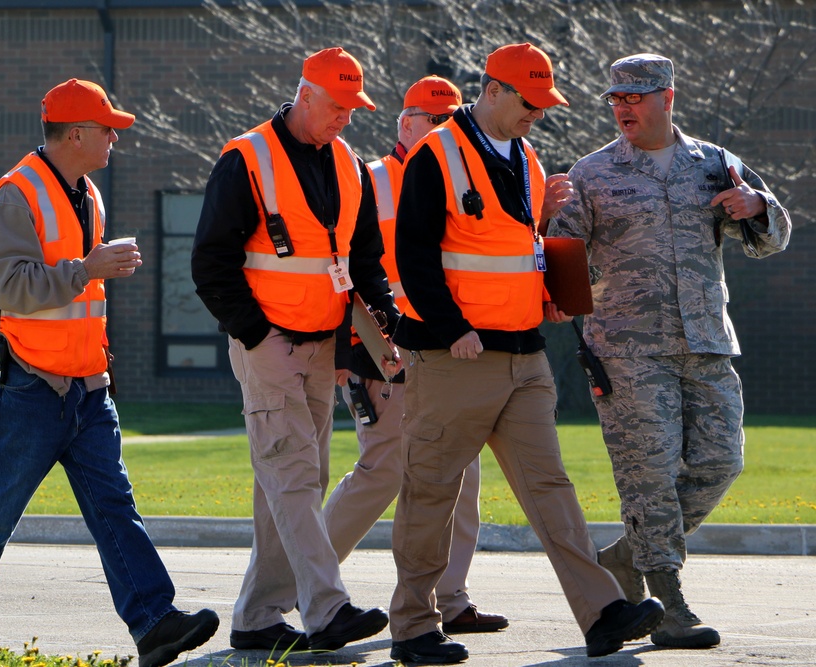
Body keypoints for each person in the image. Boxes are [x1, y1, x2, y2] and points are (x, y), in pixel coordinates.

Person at [0, 79, 219, 667]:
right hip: (26, 386)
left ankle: (155, 621)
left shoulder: (89, 193)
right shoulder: (15, 196)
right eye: (108, 129)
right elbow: (12, 287)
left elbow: (71, 288)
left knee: (115, 507)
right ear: (76, 133)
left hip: (85, 387)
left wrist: (91, 286)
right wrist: (87, 268)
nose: (115, 138)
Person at [386, 43, 666, 664]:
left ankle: (602, 613)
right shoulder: (437, 153)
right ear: (492, 90)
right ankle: (412, 626)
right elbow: (412, 255)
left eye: (544, 102)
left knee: (551, 487)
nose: (537, 113)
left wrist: (549, 294)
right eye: (529, 101)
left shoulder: (530, 158)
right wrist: (451, 325)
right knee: (431, 489)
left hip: (524, 352)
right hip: (455, 354)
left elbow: (519, 250)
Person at [547, 53, 791, 649]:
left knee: (720, 462)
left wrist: (759, 208)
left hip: (707, 339)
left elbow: (770, 239)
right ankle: (668, 599)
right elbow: (558, 248)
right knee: (649, 475)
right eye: (616, 99)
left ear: (668, 98)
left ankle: (628, 558)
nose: (624, 108)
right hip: (628, 347)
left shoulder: (716, 164)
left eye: (636, 96)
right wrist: (553, 261)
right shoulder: (592, 173)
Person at [191, 47, 398, 654]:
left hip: (321, 347)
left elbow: (360, 266)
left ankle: (257, 617)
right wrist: (258, 337)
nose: (345, 118)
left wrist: (383, 332)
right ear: (305, 94)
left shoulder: (350, 165)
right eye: (336, 106)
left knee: (288, 485)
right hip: (270, 347)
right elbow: (211, 264)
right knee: (295, 479)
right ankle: (327, 611)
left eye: (353, 108)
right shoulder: (245, 159)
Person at [323, 75, 508, 636]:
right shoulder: (369, 181)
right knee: (382, 471)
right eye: (437, 121)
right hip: (383, 353)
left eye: (455, 121)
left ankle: (450, 600)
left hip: (448, 353)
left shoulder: (463, 179)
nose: (450, 131)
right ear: (407, 125)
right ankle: (297, 583)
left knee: (462, 478)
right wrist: (355, 351)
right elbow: (339, 274)